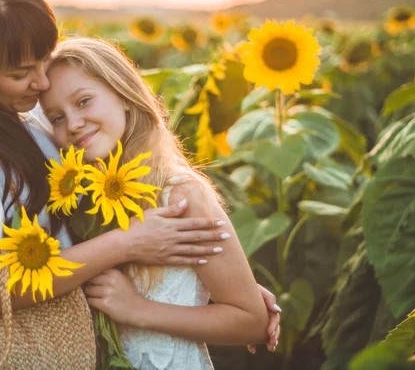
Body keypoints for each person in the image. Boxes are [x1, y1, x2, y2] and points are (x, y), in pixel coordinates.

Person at [0, 0, 279, 360]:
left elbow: (86, 224)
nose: (40, 82)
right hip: (14, 352)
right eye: (20, 73)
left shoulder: (34, 121)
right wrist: (126, 245)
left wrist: (220, 287)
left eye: (42, 60)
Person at [39, 37, 279, 369]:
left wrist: (139, 310)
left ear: (123, 95)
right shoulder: (79, 203)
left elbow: (251, 322)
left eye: (83, 102)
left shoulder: (180, 195)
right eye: (56, 118)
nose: (73, 124)